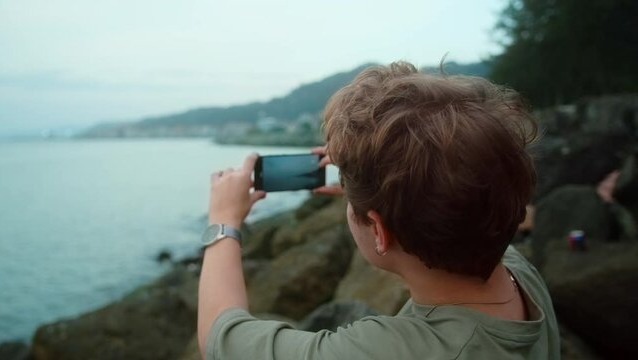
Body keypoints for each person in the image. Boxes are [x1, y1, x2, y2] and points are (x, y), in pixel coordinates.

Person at [197, 62, 560, 359]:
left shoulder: (387, 350)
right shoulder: (516, 271)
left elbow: (220, 337)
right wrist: (371, 187)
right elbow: (463, 201)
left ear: (379, 231)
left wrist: (224, 222)